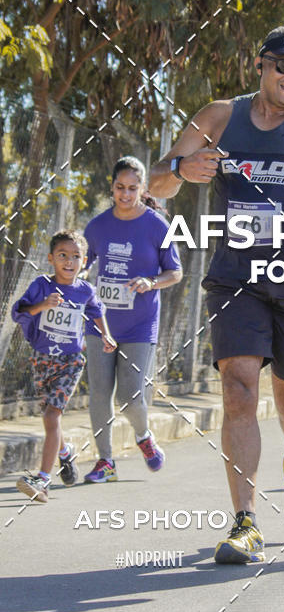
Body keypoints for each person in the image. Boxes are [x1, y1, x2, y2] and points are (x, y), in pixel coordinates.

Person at [149, 24, 284, 564]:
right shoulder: (219, 117)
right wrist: (181, 167)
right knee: (239, 391)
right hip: (235, 276)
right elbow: (156, 184)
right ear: (261, 65)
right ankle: (245, 522)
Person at [82, 156, 182, 483]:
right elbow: (83, 263)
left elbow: (175, 272)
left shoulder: (157, 226)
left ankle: (143, 437)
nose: (125, 195)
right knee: (99, 393)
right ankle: (106, 461)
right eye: (120, 188)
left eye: (132, 188)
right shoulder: (96, 227)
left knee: (130, 397)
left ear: (142, 189)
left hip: (140, 325)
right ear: (111, 187)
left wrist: (151, 282)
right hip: (101, 324)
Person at [11, 230, 116, 503]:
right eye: (63, 256)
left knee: (51, 416)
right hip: (42, 359)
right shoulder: (41, 285)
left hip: (71, 361)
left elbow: (96, 312)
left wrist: (106, 334)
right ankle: (66, 454)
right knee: (49, 415)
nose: (69, 261)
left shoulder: (85, 291)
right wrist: (43, 305)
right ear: (51, 259)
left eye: (76, 256)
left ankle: (42, 480)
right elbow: (20, 311)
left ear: (84, 261)